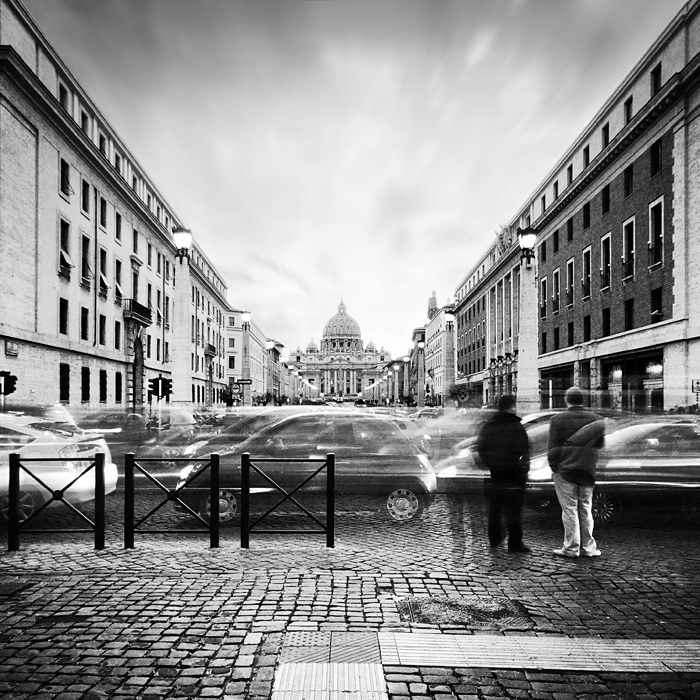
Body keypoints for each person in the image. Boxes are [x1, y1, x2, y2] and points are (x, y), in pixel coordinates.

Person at [548, 386, 606, 558]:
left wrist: (554, 466)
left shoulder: (557, 419)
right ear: (583, 400)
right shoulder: (596, 419)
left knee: (569, 510)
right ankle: (589, 547)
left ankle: (571, 547)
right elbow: (600, 445)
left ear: (567, 400)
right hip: (587, 470)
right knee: (586, 509)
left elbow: (553, 447)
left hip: (565, 470)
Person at [475, 394, 531, 553]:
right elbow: (524, 451)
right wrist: (521, 470)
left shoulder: (488, 425)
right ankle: (515, 543)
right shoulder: (516, 426)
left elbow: (481, 449)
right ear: (511, 407)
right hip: (514, 474)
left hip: (496, 473)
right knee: (513, 510)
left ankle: (494, 539)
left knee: (495, 508)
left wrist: (491, 465)